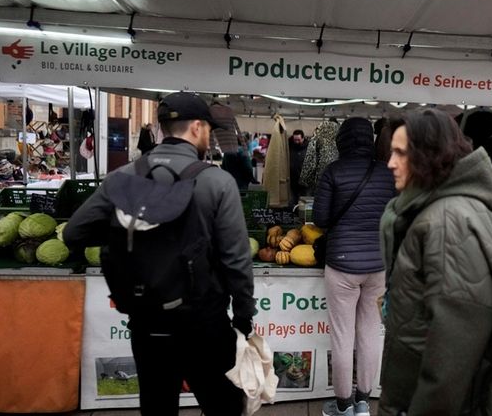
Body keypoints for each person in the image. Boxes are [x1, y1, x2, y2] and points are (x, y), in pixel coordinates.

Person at [63, 92, 254, 416]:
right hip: (205, 324)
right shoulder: (217, 182)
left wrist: (125, 229)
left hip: (146, 321)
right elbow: (236, 259)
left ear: (163, 127)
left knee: (157, 408)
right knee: (223, 407)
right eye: (207, 129)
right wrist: (244, 315)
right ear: (196, 128)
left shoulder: (122, 177)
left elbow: (73, 234)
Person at [379, 109, 492, 415]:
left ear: (428, 156)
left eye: (400, 153)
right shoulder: (451, 209)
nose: (391, 163)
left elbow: (452, 357)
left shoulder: (447, 221)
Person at [313, 117, 396, 416]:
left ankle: (343, 405)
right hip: (378, 265)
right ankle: (364, 401)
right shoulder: (388, 173)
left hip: (342, 265)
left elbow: (320, 219)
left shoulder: (333, 171)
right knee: (371, 333)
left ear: (341, 141)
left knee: (342, 335)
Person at [288, 129, 309, 205]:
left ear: (303, 138)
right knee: (292, 201)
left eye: (298, 140)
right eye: (295, 140)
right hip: (292, 180)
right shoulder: (289, 146)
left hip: (304, 181)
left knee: (303, 203)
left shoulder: (308, 148)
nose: (296, 141)